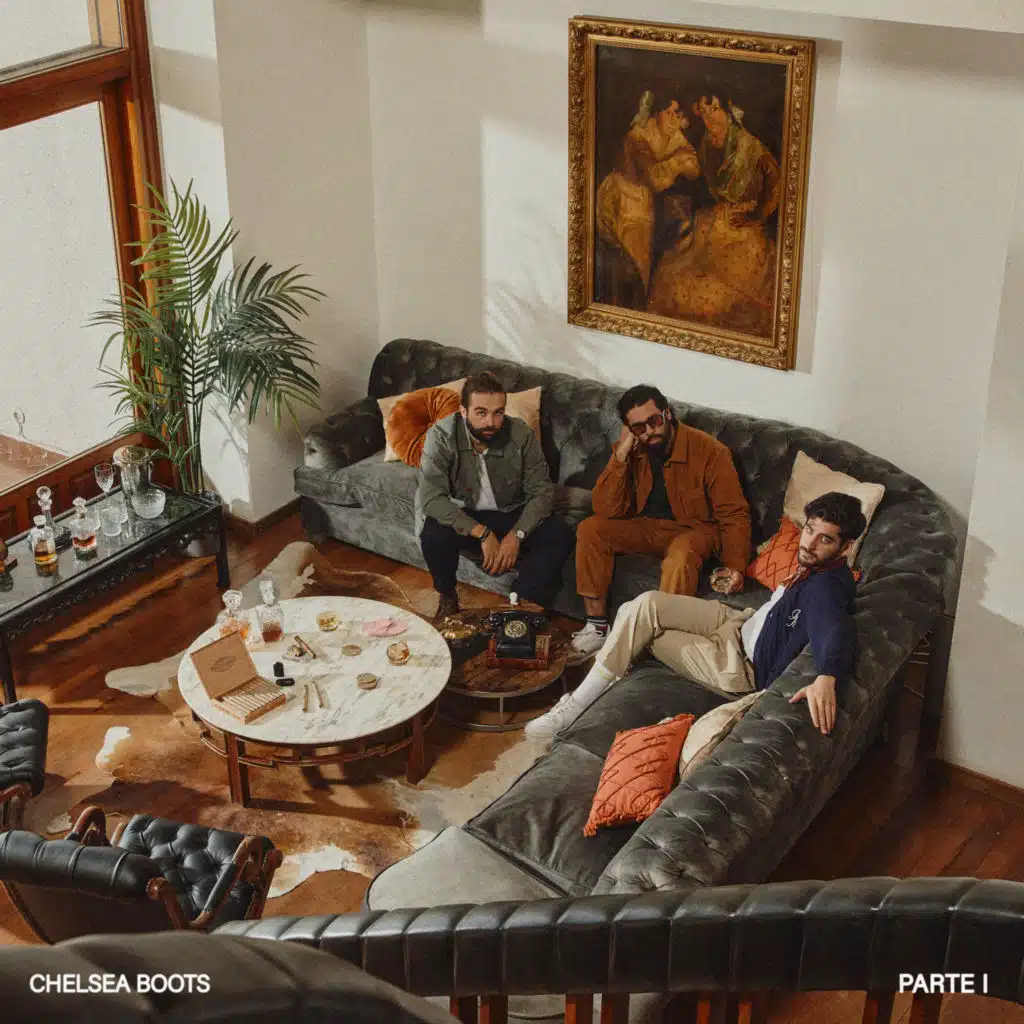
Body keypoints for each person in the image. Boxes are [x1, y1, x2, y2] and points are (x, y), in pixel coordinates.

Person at [527, 492, 865, 741]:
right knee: (641, 605)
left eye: (825, 539)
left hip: (739, 666)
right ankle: (592, 687)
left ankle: (574, 707)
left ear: (846, 547)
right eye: (809, 530)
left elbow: (833, 627)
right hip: (737, 621)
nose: (809, 544)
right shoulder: (818, 565)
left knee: (642, 630)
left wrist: (828, 676)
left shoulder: (828, 587)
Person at [570, 384, 750, 660]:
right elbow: (605, 509)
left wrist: (735, 566)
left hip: (696, 530)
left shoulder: (710, 451)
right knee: (591, 529)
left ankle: (661, 641)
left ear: (667, 414)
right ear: (630, 429)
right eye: (639, 427)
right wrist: (620, 457)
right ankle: (596, 628)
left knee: (681, 552)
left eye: (654, 421)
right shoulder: (632, 450)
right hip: (647, 526)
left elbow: (734, 514)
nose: (650, 431)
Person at [416, 371, 575, 618]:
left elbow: (542, 491)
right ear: (463, 411)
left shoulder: (521, 434)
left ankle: (522, 606)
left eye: (498, 412)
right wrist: (482, 533)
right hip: (468, 514)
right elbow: (431, 499)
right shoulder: (441, 436)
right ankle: (447, 594)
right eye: (481, 412)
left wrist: (517, 534)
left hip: (511, 511)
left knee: (559, 533)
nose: (490, 422)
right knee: (434, 531)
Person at [647, 94, 781, 337]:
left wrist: (759, 215)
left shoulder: (748, 145)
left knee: (718, 295)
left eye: (715, 109)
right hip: (716, 219)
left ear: (728, 111)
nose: (710, 117)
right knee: (672, 272)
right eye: (704, 111)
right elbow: (702, 182)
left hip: (743, 223)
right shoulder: (707, 144)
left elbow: (777, 181)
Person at [595, 94, 701, 309]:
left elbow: (694, 169)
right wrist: (677, 162)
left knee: (642, 270)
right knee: (629, 268)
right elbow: (654, 179)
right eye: (668, 112)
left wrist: (678, 163)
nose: (673, 119)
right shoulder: (638, 135)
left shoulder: (673, 134)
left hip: (643, 202)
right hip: (622, 201)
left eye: (677, 114)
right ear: (656, 114)